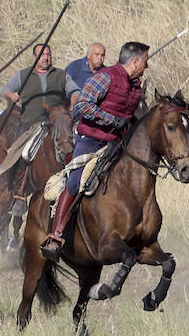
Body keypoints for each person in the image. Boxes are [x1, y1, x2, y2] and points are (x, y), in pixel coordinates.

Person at [40, 41, 150, 261]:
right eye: (145, 62)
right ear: (135, 61)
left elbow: (132, 117)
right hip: (91, 140)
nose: (146, 67)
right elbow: (83, 105)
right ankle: (56, 235)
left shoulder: (136, 88)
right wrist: (111, 119)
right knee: (75, 181)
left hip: (117, 144)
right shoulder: (105, 78)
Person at [0, 44, 83, 214]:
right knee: (23, 153)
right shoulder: (24, 75)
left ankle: (77, 185)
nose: (45, 58)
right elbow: (5, 89)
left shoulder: (61, 74)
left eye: (48, 54)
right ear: (34, 57)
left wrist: (73, 102)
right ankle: (19, 194)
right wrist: (11, 95)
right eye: (41, 55)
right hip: (31, 124)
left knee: (75, 146)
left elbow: (75, 90)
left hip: (57, 123)